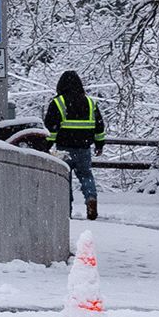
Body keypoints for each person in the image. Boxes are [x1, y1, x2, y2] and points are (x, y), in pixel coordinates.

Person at [46, 68, 104, 219]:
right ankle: (91, 198)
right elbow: (99, 125)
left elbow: (51, 127)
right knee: (86, 176)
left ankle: (67, 209)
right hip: (84, 147)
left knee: (65, 179)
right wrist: (99, 144)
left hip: (64, 148)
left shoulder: (58, 102)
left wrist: (47, 145)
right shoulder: (90, 102)